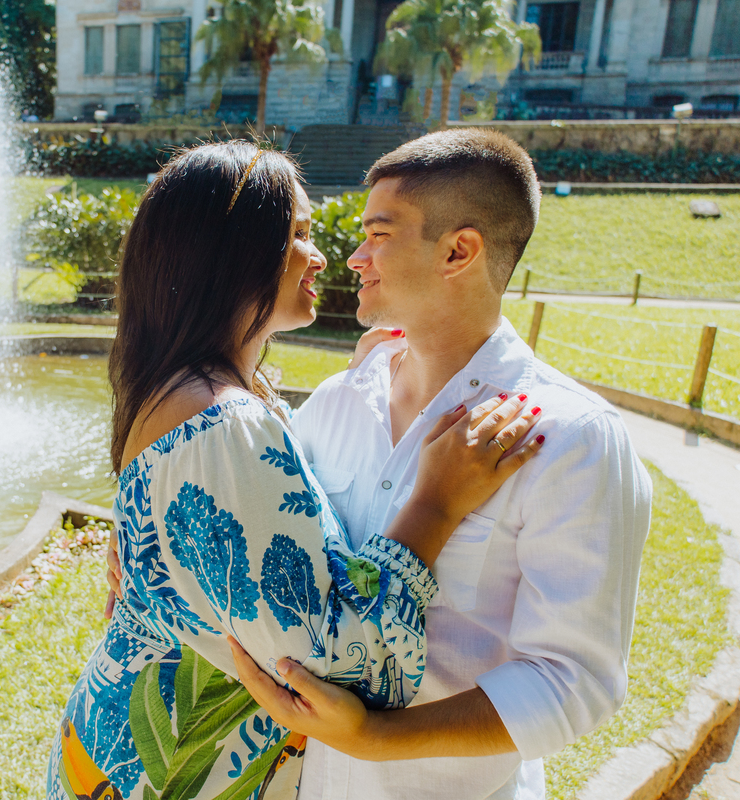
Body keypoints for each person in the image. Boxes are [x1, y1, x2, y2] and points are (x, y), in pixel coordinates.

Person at [48, 140, 544, 800]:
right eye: (301, 235)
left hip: (127, 752)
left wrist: (367, 376)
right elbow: (340, 672)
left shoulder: (191, 394)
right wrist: (437, 502)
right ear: (235, 252)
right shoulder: (224, 424)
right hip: (171, 771)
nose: (323, 257)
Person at [226, 128, 653, 800]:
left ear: (458, 251)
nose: (355, 256)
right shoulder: (337, 402)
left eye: (379, 234)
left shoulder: (573, 441)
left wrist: (376, 737)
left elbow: (574, 681)